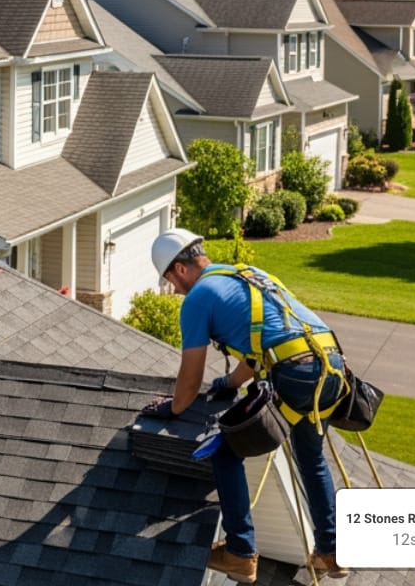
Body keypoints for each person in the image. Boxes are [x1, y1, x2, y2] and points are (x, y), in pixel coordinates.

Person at [142, 229, 349, 584]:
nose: (174, 291)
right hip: (332, 368)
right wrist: (229, 383)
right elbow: (261, 349)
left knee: (225, 452)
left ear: (180, 269)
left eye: (170, 282)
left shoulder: (198, 298)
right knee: (311, 456)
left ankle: (239, 553)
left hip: (296, 373)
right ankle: (331, 551)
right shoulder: (248, 275)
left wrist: (173, 409)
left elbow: (189, 380)